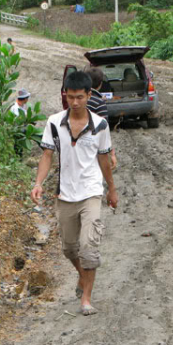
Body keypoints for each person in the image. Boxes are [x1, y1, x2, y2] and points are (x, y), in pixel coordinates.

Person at [31, 71, 118, 316]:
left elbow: (103, 159)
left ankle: (86, 299)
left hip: (91, 192)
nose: (75, 102)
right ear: (65, 96)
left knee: (88, 248)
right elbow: (47, 155)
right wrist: (38, 183)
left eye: (80, 97)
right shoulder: (54, 122)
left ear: (90, 95)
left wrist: (111, 189)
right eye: (71, 97)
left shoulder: (100, 124)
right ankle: (83, 276)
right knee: (69, 249)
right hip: (65, 194)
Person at [83, 66, 118, 170]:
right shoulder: (99, 103)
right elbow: (104, 130)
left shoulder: (78, 99)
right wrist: (111, 153)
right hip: (92, 145)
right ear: (101, 84)